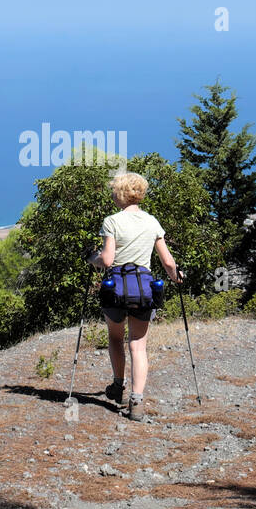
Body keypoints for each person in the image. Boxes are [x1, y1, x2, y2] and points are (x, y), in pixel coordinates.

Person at [89, 172, 183, 421]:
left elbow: (107, 260)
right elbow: (167, 261)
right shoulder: (152, 222)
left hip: (115, 289)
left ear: (120, 194)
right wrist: (176, 277)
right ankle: (137, 402)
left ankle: (118, 387)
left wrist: (92, 258)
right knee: (138, 345)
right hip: (144, 289)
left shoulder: (112, 221)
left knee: (115, 338)